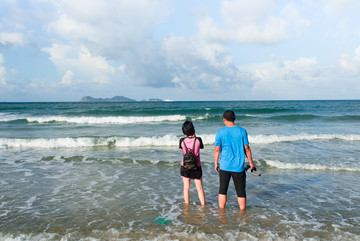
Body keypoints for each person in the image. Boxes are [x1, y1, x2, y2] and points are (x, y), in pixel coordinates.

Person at [214, 110, 256, 210]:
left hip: (224, 166)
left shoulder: (220, 132)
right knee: (241, 191)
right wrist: (251, 163)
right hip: (238, 166)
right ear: (234, 119)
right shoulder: (242, 131)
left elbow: (217, 150)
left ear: (224, 119)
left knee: (222, 190)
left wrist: (216, 163)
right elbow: (247, 148)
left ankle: (221, 212)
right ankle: (242, 213)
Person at [179, 120, 205, 206]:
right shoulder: (198, 140)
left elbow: (183, 151)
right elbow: (201, 147)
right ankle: (203, 206)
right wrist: (195, 136)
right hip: (196, 166)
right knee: (199, 188)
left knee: (186, 188)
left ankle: (187, 205)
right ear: (193, 129)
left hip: (185, 166)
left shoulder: (182, 141)